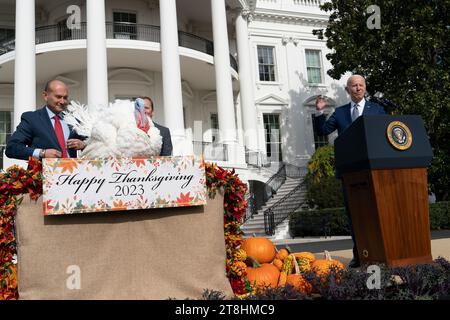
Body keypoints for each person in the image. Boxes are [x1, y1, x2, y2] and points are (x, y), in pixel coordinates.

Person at [314, 74, 386, 268]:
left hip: (374, 170)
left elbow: (385, 135)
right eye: (354, 85)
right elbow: (323, 131)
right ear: (348, 90)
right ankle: (360, 254)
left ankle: (383, 251)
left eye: (361, 85)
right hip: (350, 172)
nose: (358, 88)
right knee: (356, 214)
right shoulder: (340, 112)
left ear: (365, 88)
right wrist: (320, 113)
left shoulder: (378, 110)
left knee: (378, 212)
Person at [6, 79, 86, 160]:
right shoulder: (32, 119)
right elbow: (12, 148)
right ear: (45, 96)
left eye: (65, 98)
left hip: (73, 171)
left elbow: (95, 144)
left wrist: (84, 145)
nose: (62, 101)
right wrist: (42, 153)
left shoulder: (74, 120)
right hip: (42, 172)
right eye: (58, 97)